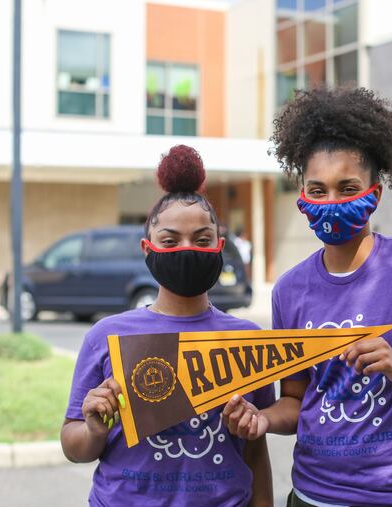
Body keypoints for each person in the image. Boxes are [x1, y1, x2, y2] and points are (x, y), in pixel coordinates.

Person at [223, 87, 392, 506]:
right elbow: (296, 400)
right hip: (314, 496)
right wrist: (262, 419)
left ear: (374, 194)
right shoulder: (290, 290)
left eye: (347, 187)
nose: (331, 202)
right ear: (303, 195)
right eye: (317, 189)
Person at [60, 145, 274, 507]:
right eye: (170, 241)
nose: (187, 249)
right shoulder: (106, 335)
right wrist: (95, 428)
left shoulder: (246, 339)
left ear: (219, 247)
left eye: (202, 240)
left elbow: (254, 450)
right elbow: (73, 444)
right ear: (148, 249)